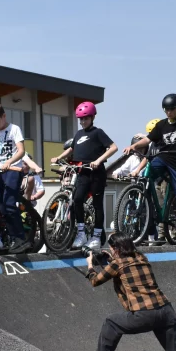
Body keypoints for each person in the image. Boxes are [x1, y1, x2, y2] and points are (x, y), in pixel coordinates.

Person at [129, 94, 176, 245]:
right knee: (147, 174)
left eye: (172, 109)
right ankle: (145, 199)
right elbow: (148, 139)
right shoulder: (161, 125)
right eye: (166, 109)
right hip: (163, 158)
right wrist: (134, 146)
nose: (169, 112)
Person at [53, 101, 118, 251]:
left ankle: (96, 237)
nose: (83, 122)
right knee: (77, 200)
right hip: (82, 172)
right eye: (81, 119)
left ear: (93, 117)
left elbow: (114, 147)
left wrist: (98, 160)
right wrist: (58, 157)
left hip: (96, 173)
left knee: (97, 204)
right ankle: (81, 233)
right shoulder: (78, 134)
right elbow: (71, 149)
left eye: (86, 119)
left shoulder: (98, 132)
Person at [0, 104, 32, 254]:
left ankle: (20, 237)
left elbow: (21, 151)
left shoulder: (14, 129)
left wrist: (9, 162)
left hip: (14, 169)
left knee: (9, 203)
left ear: (4, 116)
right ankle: (10, 237)